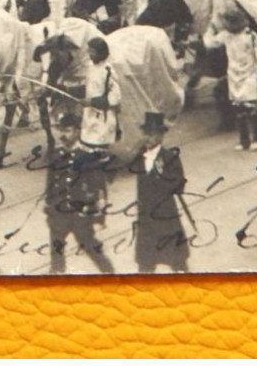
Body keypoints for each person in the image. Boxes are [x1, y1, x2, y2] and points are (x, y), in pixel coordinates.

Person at [45, 112, 114, 275]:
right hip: (59, 216)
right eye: (60, 130)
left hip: (81, 216)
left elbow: (99, 189)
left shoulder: (87, 157)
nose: (63, 134)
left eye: (67, 130)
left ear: (77, 131)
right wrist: (50, 210)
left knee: (94, 251)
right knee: (56, 258)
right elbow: (50, 186)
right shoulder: (55, 155)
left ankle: (113, 278)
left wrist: (98, 218)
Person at [129, 111, 189, 273]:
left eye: (153, 134)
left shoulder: (170, 157)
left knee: (177, 262)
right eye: (146, 134)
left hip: (166, 217)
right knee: (145, 263)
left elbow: (179, 185)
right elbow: (129, 167)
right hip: (146, 217)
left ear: (161, 136)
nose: (149, 138)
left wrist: (162, 175)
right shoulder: (140, 156)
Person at [206, 5, 257, 151]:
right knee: (238, 109)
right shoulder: (226, 36)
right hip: (234, 75)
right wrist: (210, 29)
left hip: (249, 74)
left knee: (249, 108)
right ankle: (244, 140)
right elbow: (210, 43)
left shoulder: (249, 36)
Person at [80, 37, 121, 152]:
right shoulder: (89, 67)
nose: (90, 54)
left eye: (93, 51)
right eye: (89, 51)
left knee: (99, 147)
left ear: (101, 53)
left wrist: (93, 102)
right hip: (89, 114)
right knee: (87, 143)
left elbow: (115, 97)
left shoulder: (108, 71)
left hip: (103, 115)